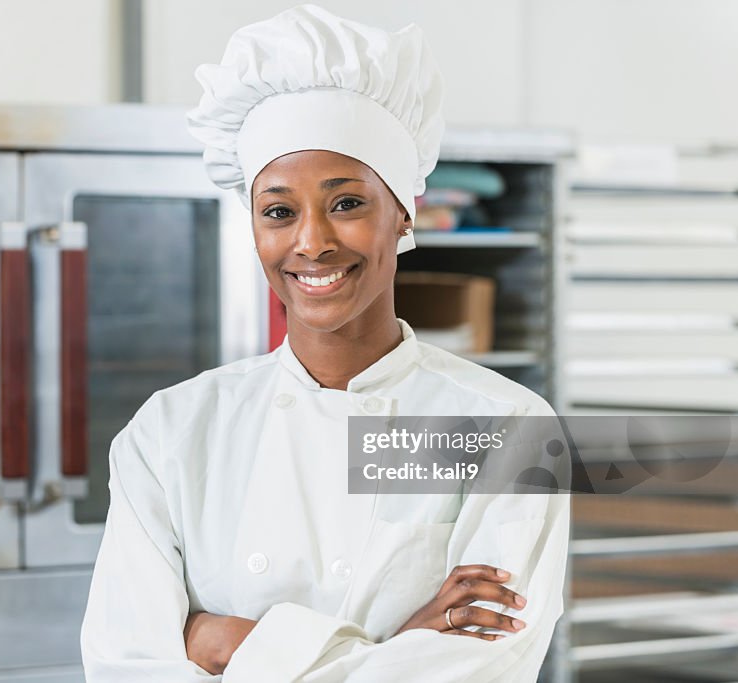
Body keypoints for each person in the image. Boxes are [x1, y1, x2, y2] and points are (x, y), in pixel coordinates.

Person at [80, 5, 570, 681]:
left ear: (403, 211)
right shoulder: (171, 432)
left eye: (346, 203)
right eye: (279, 211)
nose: (311, 241)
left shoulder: (509, 429)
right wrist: (388, 647)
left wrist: (225, 645)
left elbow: (480, 669)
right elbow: (124, 665)